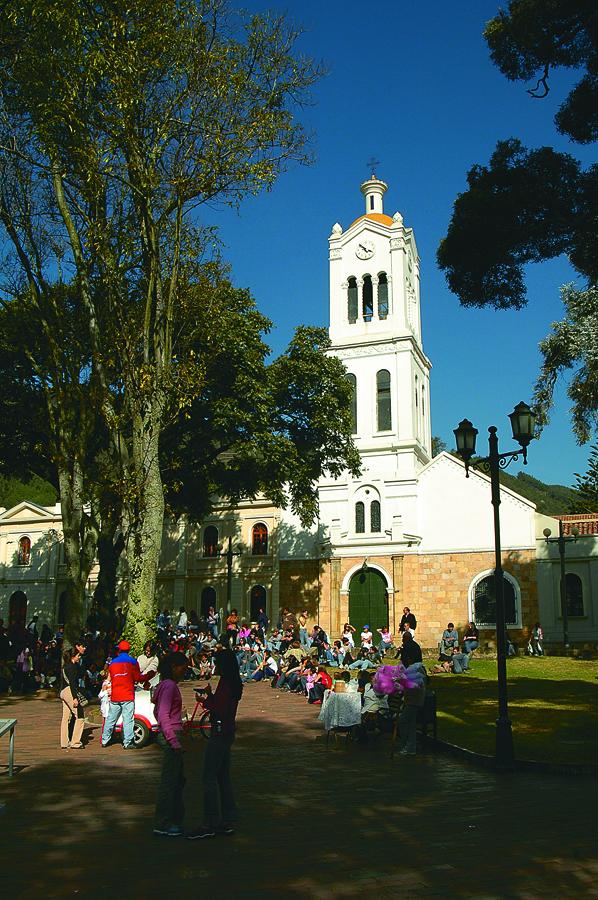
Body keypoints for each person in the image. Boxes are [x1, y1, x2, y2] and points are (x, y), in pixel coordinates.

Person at [188, 649, 243, 839]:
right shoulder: (234, 682)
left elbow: (220, 708)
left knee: (209, 776)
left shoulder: (226, 683)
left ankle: (210, 821)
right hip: (228, 731)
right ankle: (228, 817)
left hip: (219, 731)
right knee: (223, 776)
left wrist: (206, 701)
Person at [152, 651, 189, 837]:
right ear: (174, 667)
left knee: (177, 780)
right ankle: (163, 821)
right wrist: (173, 740)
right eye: (183, 666)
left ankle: (174, 818)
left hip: (172, 733)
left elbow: (157, 711)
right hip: (171, 735)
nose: (185, 670)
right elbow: (162, 714)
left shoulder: (165, 686)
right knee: (170, 781)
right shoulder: (169, 687)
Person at [101, 639, 153, 749]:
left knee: (111, 719)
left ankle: (105, 740)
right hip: (128, 695)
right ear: (129, 649)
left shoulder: (113, 663)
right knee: (128, 719)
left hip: (115, 695)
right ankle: (127, 742)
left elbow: (111, 677)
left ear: (119, 650)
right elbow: (138, 678)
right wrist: (149, 675)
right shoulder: (133, 662)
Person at [398, 663, 427, 755]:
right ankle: (410, 746)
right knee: (410, 724)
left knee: (404, 722)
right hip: (411, 702)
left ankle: (409, 746)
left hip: (413, 702)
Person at [60, 646, 85, 749]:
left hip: (63, 691)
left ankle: (64, 742)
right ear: (73, 657)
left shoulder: (65, 666)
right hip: (69, 691)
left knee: (65, 717)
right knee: (80, 715)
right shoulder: (72, 667)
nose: (79, 657)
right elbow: (73, 683)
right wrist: (75, 697)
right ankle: (75, 742)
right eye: (78, 656)